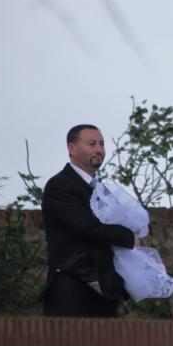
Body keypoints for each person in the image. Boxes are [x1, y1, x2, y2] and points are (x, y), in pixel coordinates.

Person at [41, 124, 139, 317]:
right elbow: (83, 226)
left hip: (105, 287)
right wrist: (128, 237)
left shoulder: (102, 190)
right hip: (73, 286)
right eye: (91, 143)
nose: (99, 150)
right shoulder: (59, 186)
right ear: (72, 148)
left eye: (102, 144)